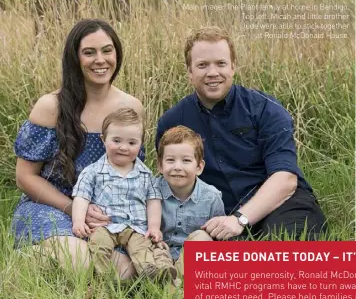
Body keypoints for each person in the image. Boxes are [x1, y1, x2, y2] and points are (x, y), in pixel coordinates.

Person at [156, 26, 327, 241]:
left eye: (221, 63)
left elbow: (285, 179)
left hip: (279, 204)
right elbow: (168, 181)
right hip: (217, 216)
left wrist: (240, 219)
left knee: (281, 250)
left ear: (233, 67)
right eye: (202, 65)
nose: (212, 73)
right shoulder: (172, 122)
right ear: (189, 71)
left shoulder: (266, 109)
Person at [12, 19, 144, 278]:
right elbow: (24, 177)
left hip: (103, 213)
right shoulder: (51, 106)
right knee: (80, 262)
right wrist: (75, 209)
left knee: (124, 274)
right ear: (75, 58)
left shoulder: (131, 107)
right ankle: (27, 259)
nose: (100, 59)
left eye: (107, 50)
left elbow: (132, 172)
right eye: (89, 52)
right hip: (52, 206)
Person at [72, 108, 177, 280]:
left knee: (142, 248)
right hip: (104, 225)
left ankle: (150, 273)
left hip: (136, 227)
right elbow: (81, 197)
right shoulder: (93, 172)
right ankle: (102, 277)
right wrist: (78, 220)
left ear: (140, 144)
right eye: (116, 140)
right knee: (99, 245)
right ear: (103, 140)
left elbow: (153, 202)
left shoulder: (145, 175)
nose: (123, 147)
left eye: (131, 143)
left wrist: (154, 227)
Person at [155, 125, 225, 279]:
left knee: (202, 237)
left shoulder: (211, 197)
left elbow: (219, 240)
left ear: (199, 167)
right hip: (159, 254)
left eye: (186, 160)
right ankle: (167, 283)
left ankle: (179, 283)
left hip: (192, 260)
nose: (177, 167)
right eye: (170, 160)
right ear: (160, 165)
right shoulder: (151, 192)